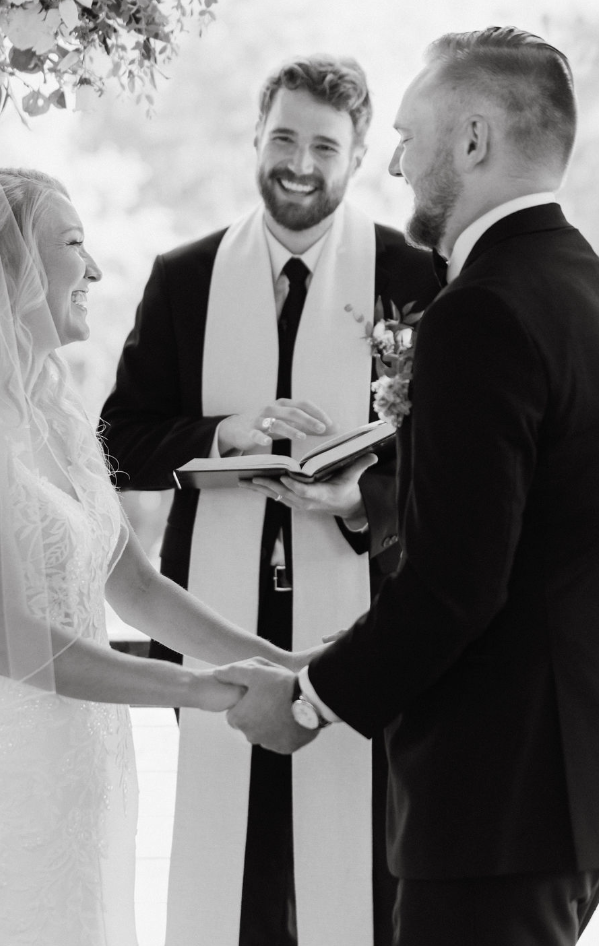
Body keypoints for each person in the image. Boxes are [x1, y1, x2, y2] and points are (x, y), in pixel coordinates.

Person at [216, 25, 599, 946]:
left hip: (492, 794)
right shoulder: (580, 280)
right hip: (563, 779)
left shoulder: (484, 310)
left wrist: (310, 699)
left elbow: (460, 582)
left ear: (472, 141)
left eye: (409, 136)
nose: (393, 162)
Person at [0, 160, 318, 946]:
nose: (97, 269)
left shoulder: (50, 399)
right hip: (3, 784)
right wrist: (212, 691)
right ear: (10, 267)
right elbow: (10, 645)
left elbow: (133, 584)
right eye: (74, 243)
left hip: (90, 771)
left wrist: (282, 662)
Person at [100, 53, 437, 946]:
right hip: (214, 617)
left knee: (360, 871)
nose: (299, 161)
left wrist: (364, 497)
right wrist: (222, 432)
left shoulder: (416, 277)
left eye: (323, 145)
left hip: (363, 621)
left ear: (358, 156)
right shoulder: (184, 277)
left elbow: (453, 466)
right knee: (236, 885)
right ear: (256, 137)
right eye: (282, 137)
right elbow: (119, 440)